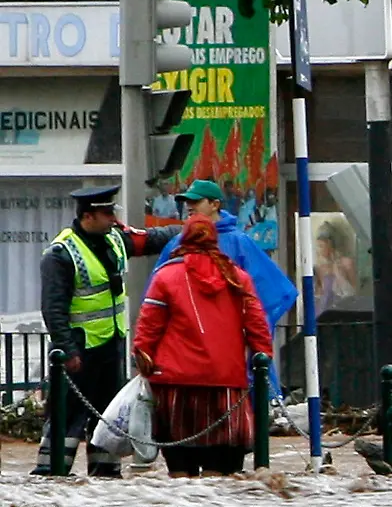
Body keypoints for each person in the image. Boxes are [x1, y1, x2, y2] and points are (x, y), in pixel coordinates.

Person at [32, 185, 179, 477]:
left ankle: (106, 480)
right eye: (106, 213)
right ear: (88, 216)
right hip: (78, 351)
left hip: (110, 348)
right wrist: (67, 350)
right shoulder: (62, 254)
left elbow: (152, 240)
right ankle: (51, 476)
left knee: (107, 418)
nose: (113, 218)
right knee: (67, 418)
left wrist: (191, 230)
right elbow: (53, 308)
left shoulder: (115, 240)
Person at [133, 213, 273, 476]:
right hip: (226, 386)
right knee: (222, 474)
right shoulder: (237, 278)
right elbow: (257, 325)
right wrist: (262, 357)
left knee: (180, 475)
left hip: (175, 387)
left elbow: (148, 326)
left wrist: (143, 357)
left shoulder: (165, 277)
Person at [154, 179, 297, 395]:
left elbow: (265, 299)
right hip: (186, 348)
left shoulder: (240, 243)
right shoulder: (175, 244)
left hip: (229, 348)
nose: (189, 207)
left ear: (215, 204)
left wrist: (254, 345)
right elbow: (155, 301)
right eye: (186, 202)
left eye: (196, 201)